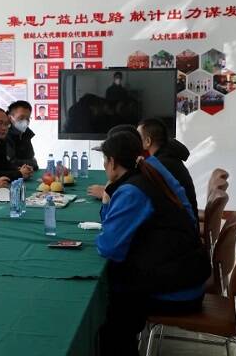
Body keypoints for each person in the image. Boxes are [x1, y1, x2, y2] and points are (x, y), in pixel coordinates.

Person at [96, 132, 210, 356]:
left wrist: (107, 198)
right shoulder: (148, 173)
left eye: (104, 160)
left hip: (177, 291)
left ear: (112, 162)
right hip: (186, 276)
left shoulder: (132, 191)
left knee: (112, 311)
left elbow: (109, 246)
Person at [87, 125, 196, 225]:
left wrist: (107, 196)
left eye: (107, 158)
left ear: (114, 161)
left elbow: (110, 230)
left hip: (180, 234)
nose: (105, 164)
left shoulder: (139, 183)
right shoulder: (147, 166)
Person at [137, 118, 199, 221]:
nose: (135, 141)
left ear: (148, 141)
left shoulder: (160, 165)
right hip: (185, 219)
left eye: (138, 137)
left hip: (184, 224)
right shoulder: (168, 156)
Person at [6, 100, 39, 171]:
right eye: (21, 118)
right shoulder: (4, 134)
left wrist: (31, 163)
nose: (25, 121)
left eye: (28, 118)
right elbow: (11, 162)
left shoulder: (26, 134)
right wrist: (31, 163)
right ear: (10, 118)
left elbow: (32, 160)